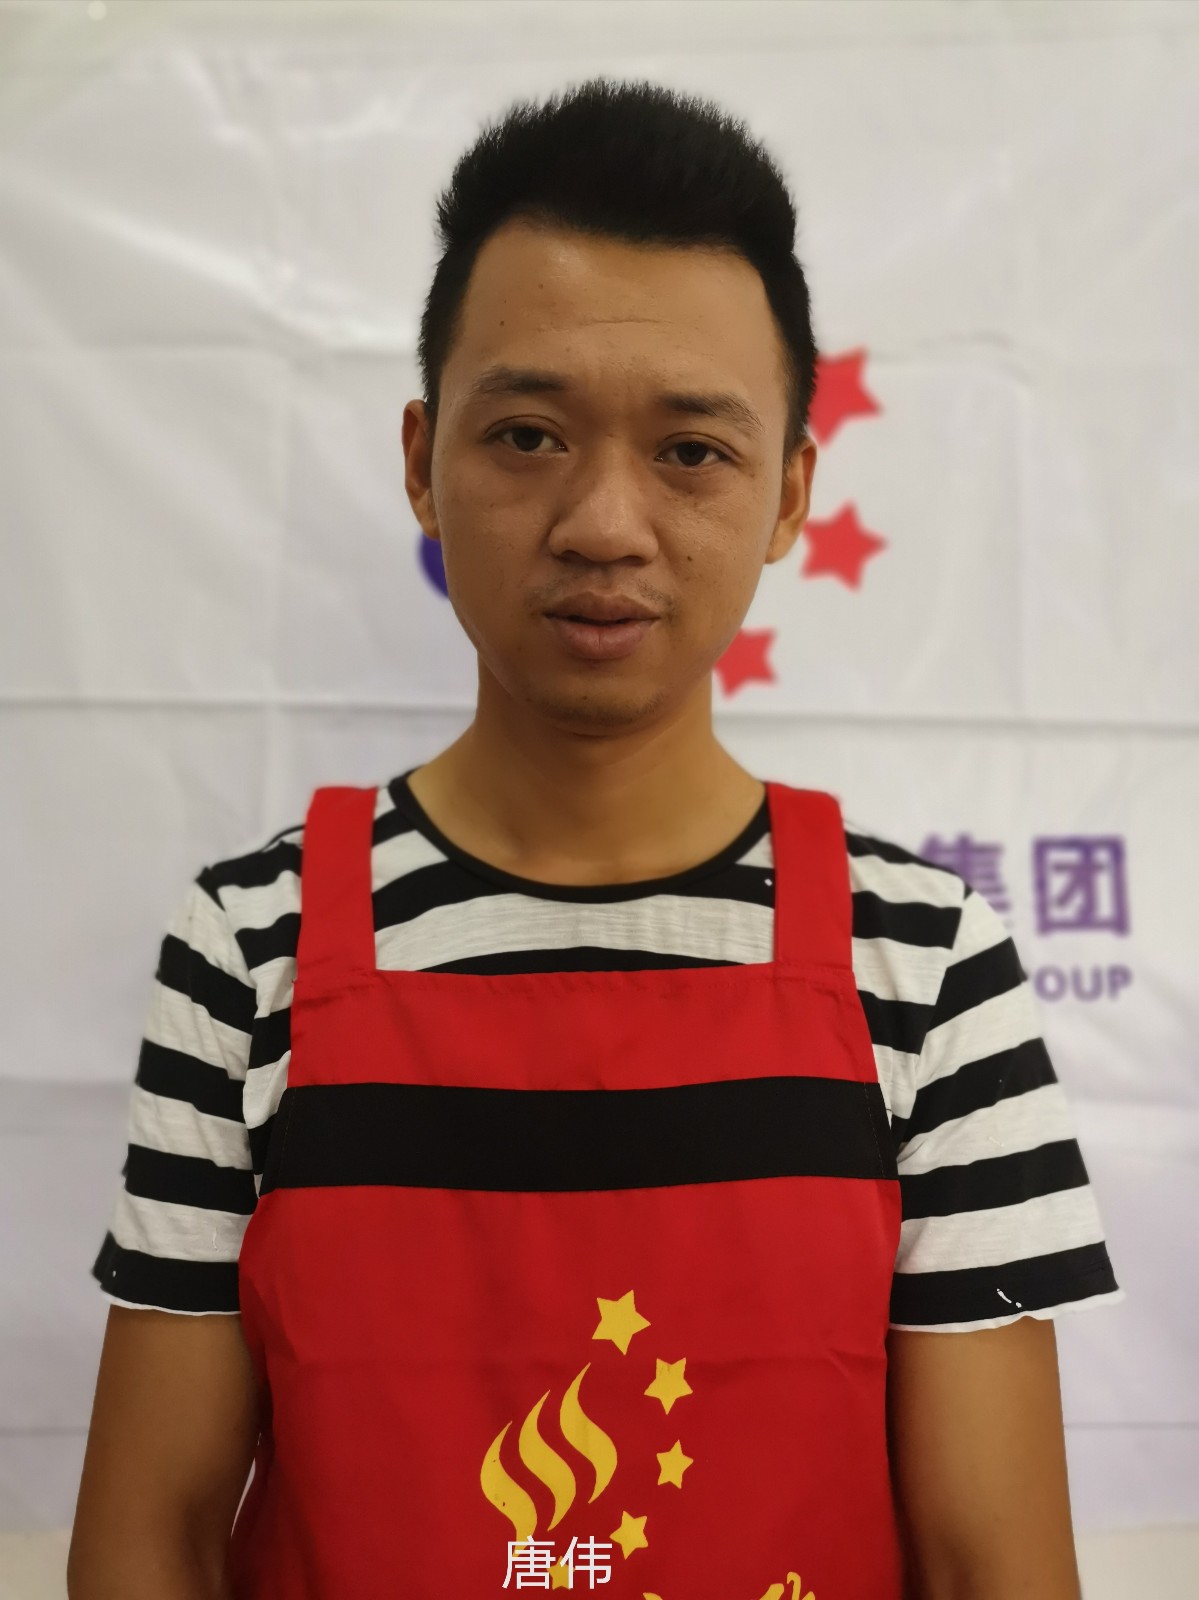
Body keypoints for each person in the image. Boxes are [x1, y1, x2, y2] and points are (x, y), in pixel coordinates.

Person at [69, 76, 1121, 1600]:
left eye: (691, 451)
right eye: (530, 436)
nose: (604, 524)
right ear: (422, 461)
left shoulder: (926, 968)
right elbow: (148, 1542)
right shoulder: (253, 948)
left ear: (789, 494)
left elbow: (994, 1565)